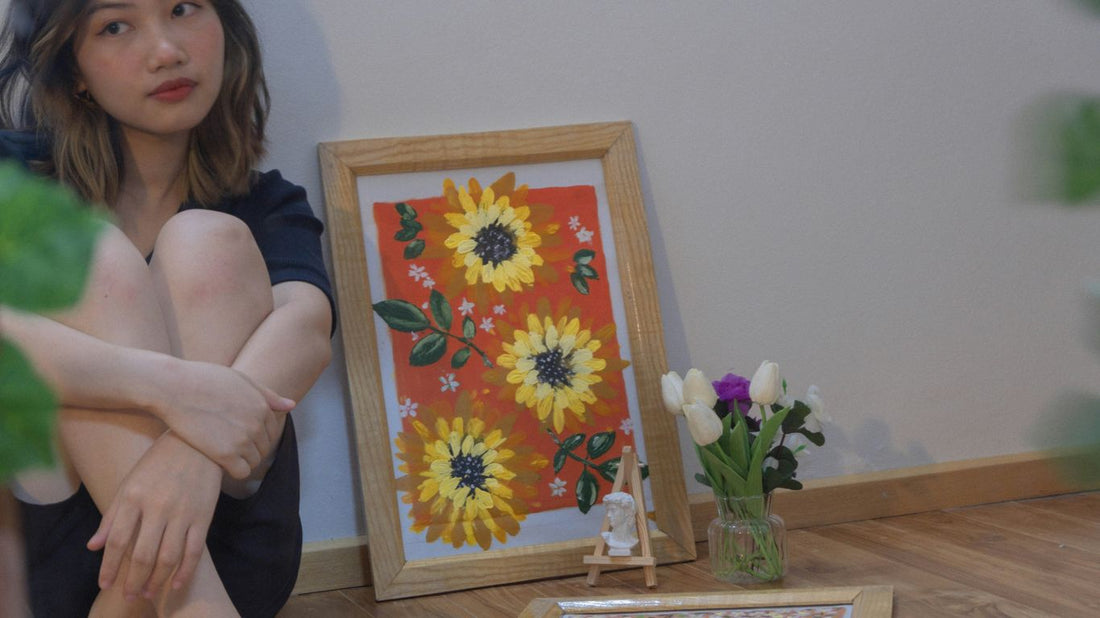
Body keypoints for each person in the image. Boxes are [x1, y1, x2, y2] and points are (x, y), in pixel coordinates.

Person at [0, 1, 335, 616]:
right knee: (90, 256)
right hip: (47, 557)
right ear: (74, 70)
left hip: (225, 546)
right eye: (115, 26)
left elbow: (308, 326)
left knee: (206, 244)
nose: (166, 52)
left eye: (182, 8)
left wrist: (188, 457)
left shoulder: (266, 205)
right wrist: (170, 389)